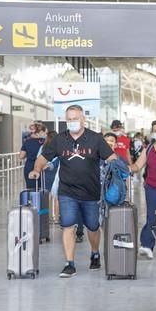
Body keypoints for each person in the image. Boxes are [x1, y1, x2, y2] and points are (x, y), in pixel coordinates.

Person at [30, 105, 116, 278]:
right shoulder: (59, 140)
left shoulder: (95, 139)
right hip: (67, 191)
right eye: (69, 119)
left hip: (91, 191)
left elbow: (111, 157)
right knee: (68, 224)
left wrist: (118, 172)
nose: (72, 122)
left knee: (92, 226)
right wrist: (37, 169)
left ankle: (95, 253)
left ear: (83, 119)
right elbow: (43, 157)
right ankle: (69, 263)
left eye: (75, 118)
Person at [131, 120, 156, 259]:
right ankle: (147, 245)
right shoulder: (149, 149)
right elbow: (137, 166)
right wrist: (125, 167)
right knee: (152, 216)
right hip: (152, 187)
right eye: (155, 130)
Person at [20, 122, 47, 189]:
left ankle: (31, 199)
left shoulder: (27, 142)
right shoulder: (45, 142)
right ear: (41, 131)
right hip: (42, 166)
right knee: (42, 187)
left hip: (29, 166)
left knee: (31, 188)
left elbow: (21, 156)